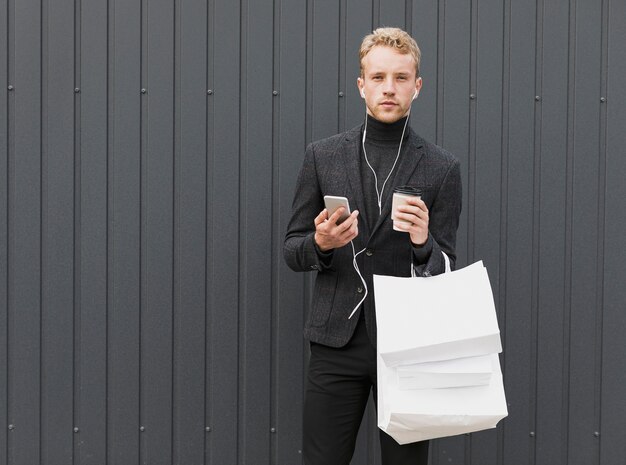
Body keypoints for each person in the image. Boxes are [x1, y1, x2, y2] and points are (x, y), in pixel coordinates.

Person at [283, 27, 462, 465]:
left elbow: (445, 269)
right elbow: (292, 249)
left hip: (408, 348)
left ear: (416, 87)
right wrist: (321, 244)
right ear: (361, 84)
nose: (389, 88)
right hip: (335, 342)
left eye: (401, 78)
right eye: (378, 77)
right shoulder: (322, 156)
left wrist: (423, 243)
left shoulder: (441, 166)